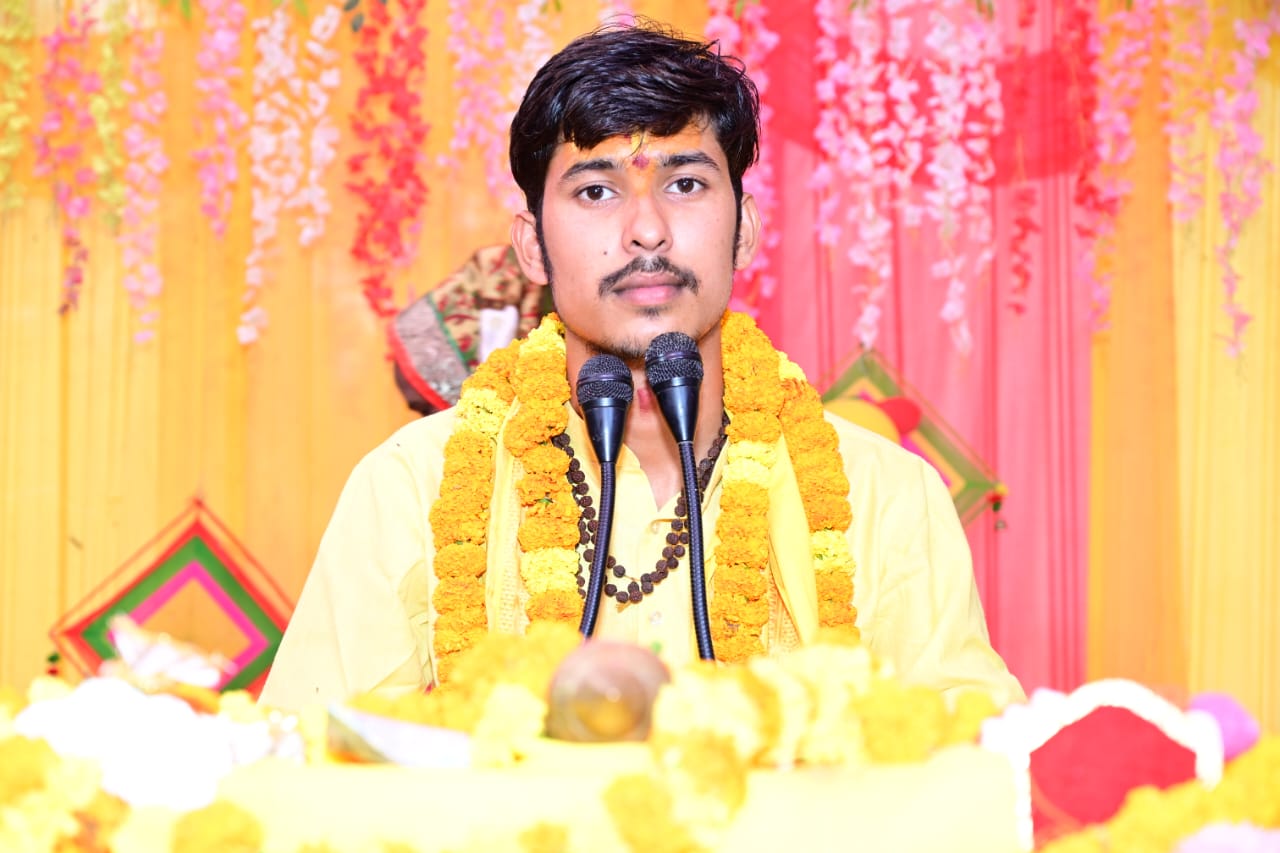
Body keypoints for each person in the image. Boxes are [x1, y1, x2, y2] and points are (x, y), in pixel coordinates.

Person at [261, 22, 1023, 711]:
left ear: (744, 229)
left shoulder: (885, 496)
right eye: (596, 190)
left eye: (685, 184)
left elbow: (970, 769)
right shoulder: (412, 486)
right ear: (531, 245)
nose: (647, 230)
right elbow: (313, 763)